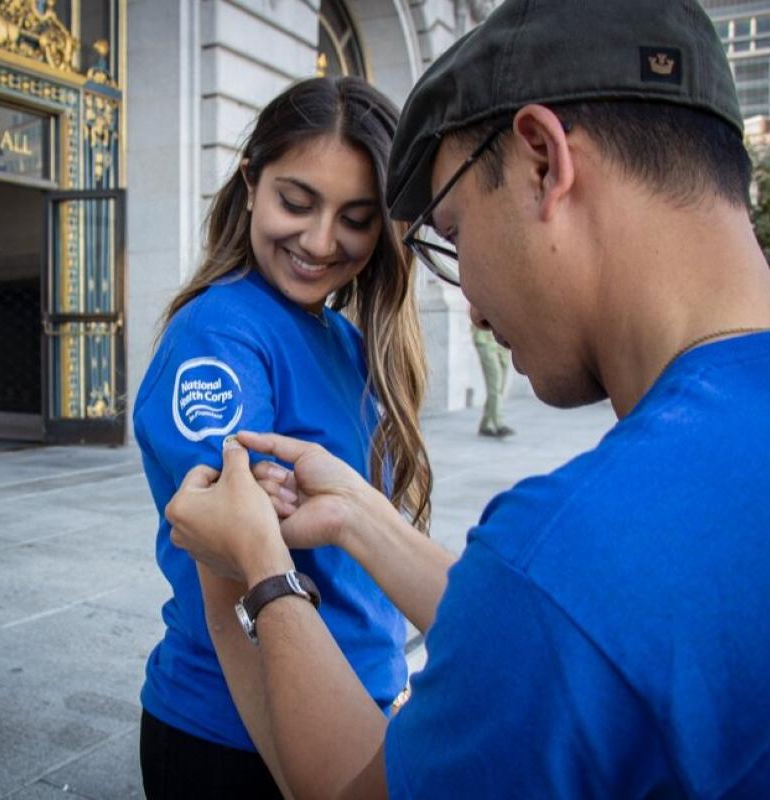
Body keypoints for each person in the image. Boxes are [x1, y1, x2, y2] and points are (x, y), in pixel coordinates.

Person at [165, 1, 770, 797]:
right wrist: (354, 512)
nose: (473, 306)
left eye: (453, 232)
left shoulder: (568, 562)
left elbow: (552, 620)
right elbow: (559, 634)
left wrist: (249, 575)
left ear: (543, 163)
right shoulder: (584, 579)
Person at [132, 76, 431, 798]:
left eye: (356, 217)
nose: (320, 241)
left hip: (356, 714)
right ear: (250, 181)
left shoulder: (349, 337)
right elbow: (226, 549)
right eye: (295, 202)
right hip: (247, 738)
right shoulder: (222, 333)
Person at [470, 310, 514, 437]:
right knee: (495, 384)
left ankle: (485, 424)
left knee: (500, 387)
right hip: (485, 340)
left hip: (501, 343)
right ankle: (498, 424)